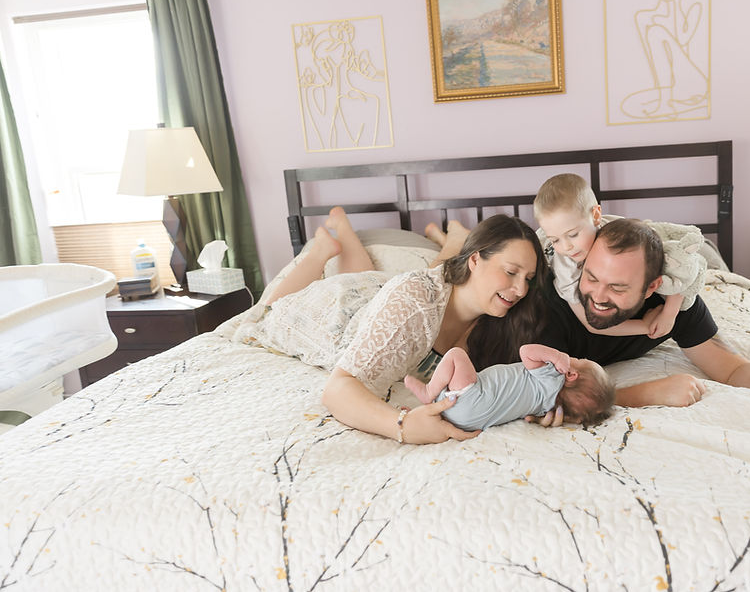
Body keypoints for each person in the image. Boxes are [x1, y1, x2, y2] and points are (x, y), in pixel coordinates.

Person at [251, 207, 549, 444]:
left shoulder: (503, 321)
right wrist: (403, 426)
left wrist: (544, 401)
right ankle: (322, 248)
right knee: (266, 313)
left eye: (528, 278)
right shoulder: (415, 302)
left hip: (386, 293)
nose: (521, 289)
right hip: (339, 313)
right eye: (511, 272)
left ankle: (453, 240)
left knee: (402, 283)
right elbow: (337, 390)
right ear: (474, 260)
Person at [531, 218, 750, 426]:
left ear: (652, 287)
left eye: (618, 288)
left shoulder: (673, 303)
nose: (598, 296)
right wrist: (647, 393)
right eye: (592, 278)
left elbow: (729, 366)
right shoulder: (554, 303)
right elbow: (546, 398)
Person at [533, 173, 706, 339]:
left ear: (596, 216)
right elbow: (590, 324)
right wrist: (645, 326)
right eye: (555, 240)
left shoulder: (621, 231)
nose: (566, 247)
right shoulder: (566, 266)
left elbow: (682, 265)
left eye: (573, 235)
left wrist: (669, 313)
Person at [403, 343, 614, 431]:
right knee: (451, 398)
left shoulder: (552, 376)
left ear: (571, 374)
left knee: (456, 355)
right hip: (471, 422)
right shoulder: (546, 406)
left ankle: (428, 393)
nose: (572, 358)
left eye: (579, 359)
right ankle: (425, 411)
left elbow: (526, 351)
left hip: (475, 396)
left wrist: (557, 356)